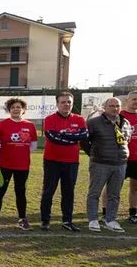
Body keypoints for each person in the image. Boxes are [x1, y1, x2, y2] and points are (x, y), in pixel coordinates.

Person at [39, 92, 88, 231]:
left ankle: (67, 221)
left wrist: (64, 136)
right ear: (57, 104)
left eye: (69, 102)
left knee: (68, 192)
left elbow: (84, 135)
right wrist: (73, 138)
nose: (66, 104)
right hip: (52, 161)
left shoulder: (79, 119)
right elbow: (53, 137)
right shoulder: (49, 119)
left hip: (72, 162)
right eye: (63, 102)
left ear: (72, 104)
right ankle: (45, 220)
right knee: (48, 191)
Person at [82, 97, 132, 232]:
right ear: (104, 108)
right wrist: (94, 154)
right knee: (94, 193)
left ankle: (110, 220)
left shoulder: (125, 122)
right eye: (111, 106)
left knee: (114, 194)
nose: (115, 108)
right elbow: (85, 141)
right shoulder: (93, 122)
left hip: (120, 164)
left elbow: (127, 140)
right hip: (100, 163)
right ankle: (93, 220)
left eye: (117, 106)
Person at [0, 98, 38, 230]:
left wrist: (21, 153)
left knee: (21, 192)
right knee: (0, 192)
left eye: (18, 107)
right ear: (9, 110)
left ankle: (22, 220)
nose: (16, 109)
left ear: (23, 110)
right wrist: (2, 154)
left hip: (23, 166)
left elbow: (33, 145)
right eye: (13, 107)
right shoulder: (2, 124)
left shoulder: (30, 126)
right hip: (4, 165)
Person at [120, 91, 137, 224]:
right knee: (113, 186)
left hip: (136, 159)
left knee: (135, 187)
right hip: (120, 157)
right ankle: (106, 212)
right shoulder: (119, 116)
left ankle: (133, 212)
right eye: (134, 99)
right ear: (127, 100)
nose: (135, 102)